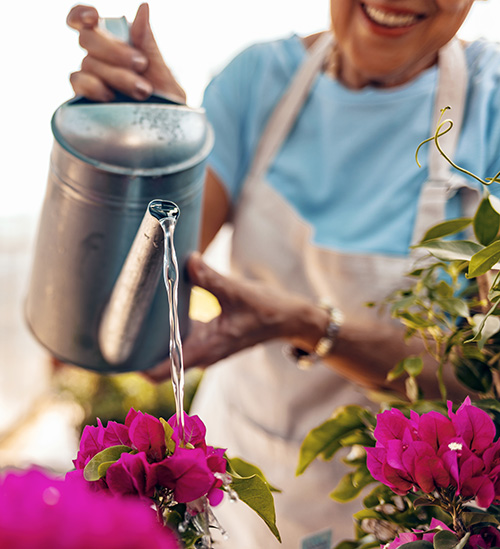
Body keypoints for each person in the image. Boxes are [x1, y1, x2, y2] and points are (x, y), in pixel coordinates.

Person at [66, 2, 500, 547]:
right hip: (233, 483)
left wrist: (308, 326)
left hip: (401, 517)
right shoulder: (257, 81)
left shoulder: (492, 105)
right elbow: (153, 286)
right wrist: (157, 135)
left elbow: (484, 382)